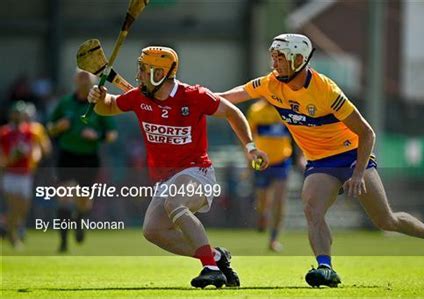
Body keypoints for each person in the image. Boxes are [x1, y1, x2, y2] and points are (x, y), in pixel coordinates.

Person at [218, 33, 424, 287]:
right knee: (311, 209)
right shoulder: (271, 84)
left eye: (280, 57)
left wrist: (358, 173)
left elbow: (366, 133)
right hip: (320, 162)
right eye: (273, 57)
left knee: (385, 221)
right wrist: (198, 97)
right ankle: (325, 268)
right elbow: (232, 95)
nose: (274, 63)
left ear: (297, 59)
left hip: (351, 156)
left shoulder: (325, 90)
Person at [87, 46, 269, 288]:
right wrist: (98, 98)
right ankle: (215, 257)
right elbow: (108, 106)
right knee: (153, 230)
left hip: (197, 172)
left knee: (175, 202)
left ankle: (210, 269)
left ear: (158, 73)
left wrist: (251, 148)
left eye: (142, 69)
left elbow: (233, 112)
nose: (138, 74)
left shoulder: (194, 95)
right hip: (165, 180)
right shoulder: (139, 97)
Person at [48, 70, 118, 252]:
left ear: (94, 81)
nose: (84, 80)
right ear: (75, 80)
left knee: (84, 202)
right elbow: (50, 128)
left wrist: (98, 136)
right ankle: (63, 242)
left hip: (89, 157)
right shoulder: (65, 103)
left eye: (87, 78)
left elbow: (111, 135)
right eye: (81, 77)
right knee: (64, 198)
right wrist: (58, 126)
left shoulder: (100, 105)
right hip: (67, 154)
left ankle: (79, 221)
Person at [246, 99, 292, 251]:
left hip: (282, 160)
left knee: (279, 201)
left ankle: (273, 239)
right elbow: (248, 135)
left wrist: (301, 155)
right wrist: (249, 156)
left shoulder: (287, 108)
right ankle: (263, 215)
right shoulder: (256, 110)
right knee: (262, 201)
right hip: (261, 161)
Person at [0, 101, 44, 248]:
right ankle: (12, 236)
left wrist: (35, 159)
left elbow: (36, 149)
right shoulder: (5, 132)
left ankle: (10, 228)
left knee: (23, 208)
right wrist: (12, 157)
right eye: (15, 113)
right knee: (13, 206)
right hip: (11, 174)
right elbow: (3, 157)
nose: (18, 116)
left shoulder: (30, 131)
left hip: (25, 174)